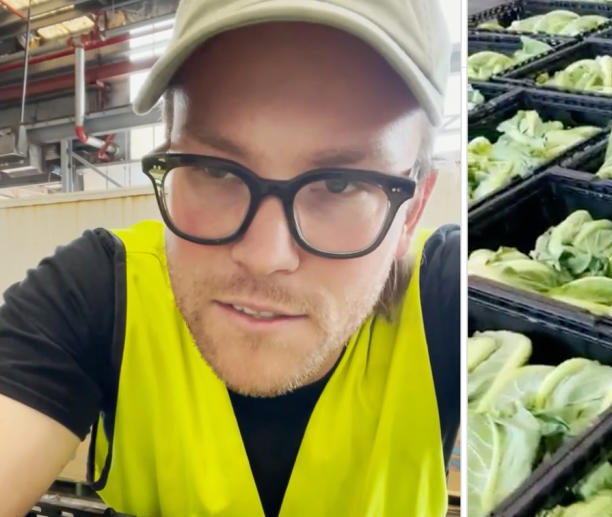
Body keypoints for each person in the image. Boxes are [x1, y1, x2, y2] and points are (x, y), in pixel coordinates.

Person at [0, 0, 459, 516]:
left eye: (339, 183)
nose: (265, 256)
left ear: (413, 211)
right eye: (215, 171)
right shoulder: (102, 291)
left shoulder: (446, 302)